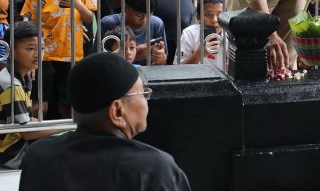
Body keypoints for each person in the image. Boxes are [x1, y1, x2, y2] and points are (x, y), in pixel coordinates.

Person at [18, 52, 192, 190]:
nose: (146, 101)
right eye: (143, 94)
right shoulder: (155, 170)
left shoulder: (39, 156)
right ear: (117, 111)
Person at [20, 0, 98, 118]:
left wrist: (77, 4)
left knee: (68, 103)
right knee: (40, 103)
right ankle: (34, 141)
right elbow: (29, 19)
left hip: (72, 52)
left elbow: (89, 17)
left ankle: (68, 140)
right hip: (44, 53)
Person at [0, 22, 66, 168]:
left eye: (41, 48)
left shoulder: (24, 78)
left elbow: (26, 119)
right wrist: (67, 127)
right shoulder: (11, 85)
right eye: (30, 48)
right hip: (9, 156)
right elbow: (26, 132)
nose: (37, 54)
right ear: (11, 50)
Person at [102, 0, 167, 66]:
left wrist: (161, 58)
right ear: (125, 7)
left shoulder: (156, 24)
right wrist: (135, 55)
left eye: (149, 15)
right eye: (139, 15)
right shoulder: (108, 23)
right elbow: (96, 63)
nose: (144, 20)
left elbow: (163, 64)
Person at [178, 0, 223, 69]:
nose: (215, 20)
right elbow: (177, 68)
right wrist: (199, 54)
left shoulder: (230, 35)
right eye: (209, 14)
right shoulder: (189, 33)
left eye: (219, 14)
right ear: (198, 17)